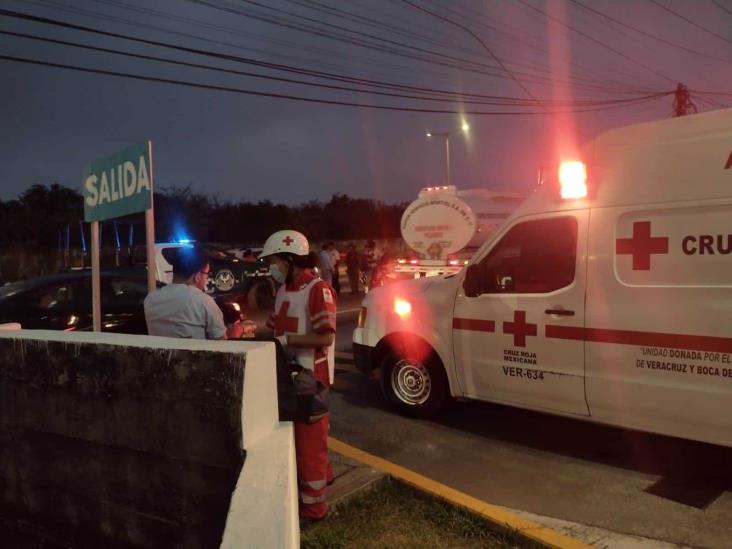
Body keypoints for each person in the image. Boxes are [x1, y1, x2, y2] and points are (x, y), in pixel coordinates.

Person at [259, 229, 336, 521]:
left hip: (310, 379)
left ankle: (315, 510)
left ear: (290, 259)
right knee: (302, 443)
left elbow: (326, 338)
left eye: (276, 261)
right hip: (289, 378)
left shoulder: (318, 290)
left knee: (309, 448)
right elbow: (278, 326)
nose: (273, 267)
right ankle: (321, 483)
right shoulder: (283, 291)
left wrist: (286, 342)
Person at [144, 246, 244, 339]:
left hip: (159, 357)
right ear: (197, 276)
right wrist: (234, 334)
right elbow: (221, 345)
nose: (206, 278)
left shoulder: (151, 299)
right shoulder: (203, 302)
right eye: (207, 274)